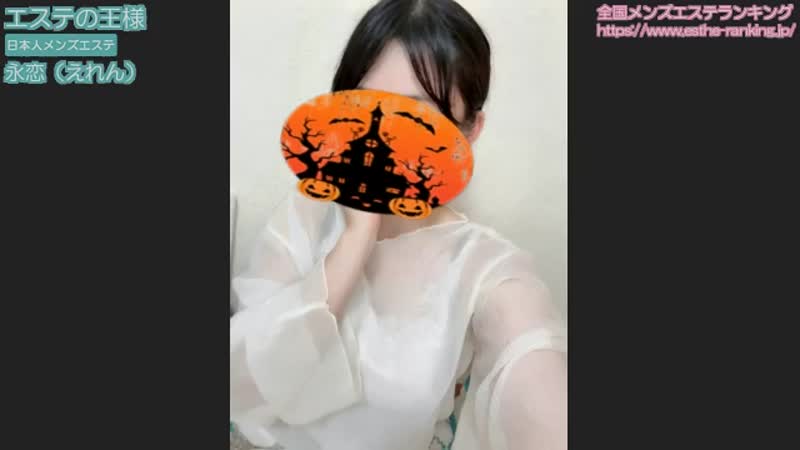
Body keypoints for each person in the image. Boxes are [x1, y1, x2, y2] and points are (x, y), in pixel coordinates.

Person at [230, 1, 566, 449]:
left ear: (470, 131)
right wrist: (356, 239)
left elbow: (531, 361)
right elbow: (242, 379)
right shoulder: (306, 211)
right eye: (363, 106)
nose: (379, 138)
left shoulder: (483, 266)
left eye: (415, 117)